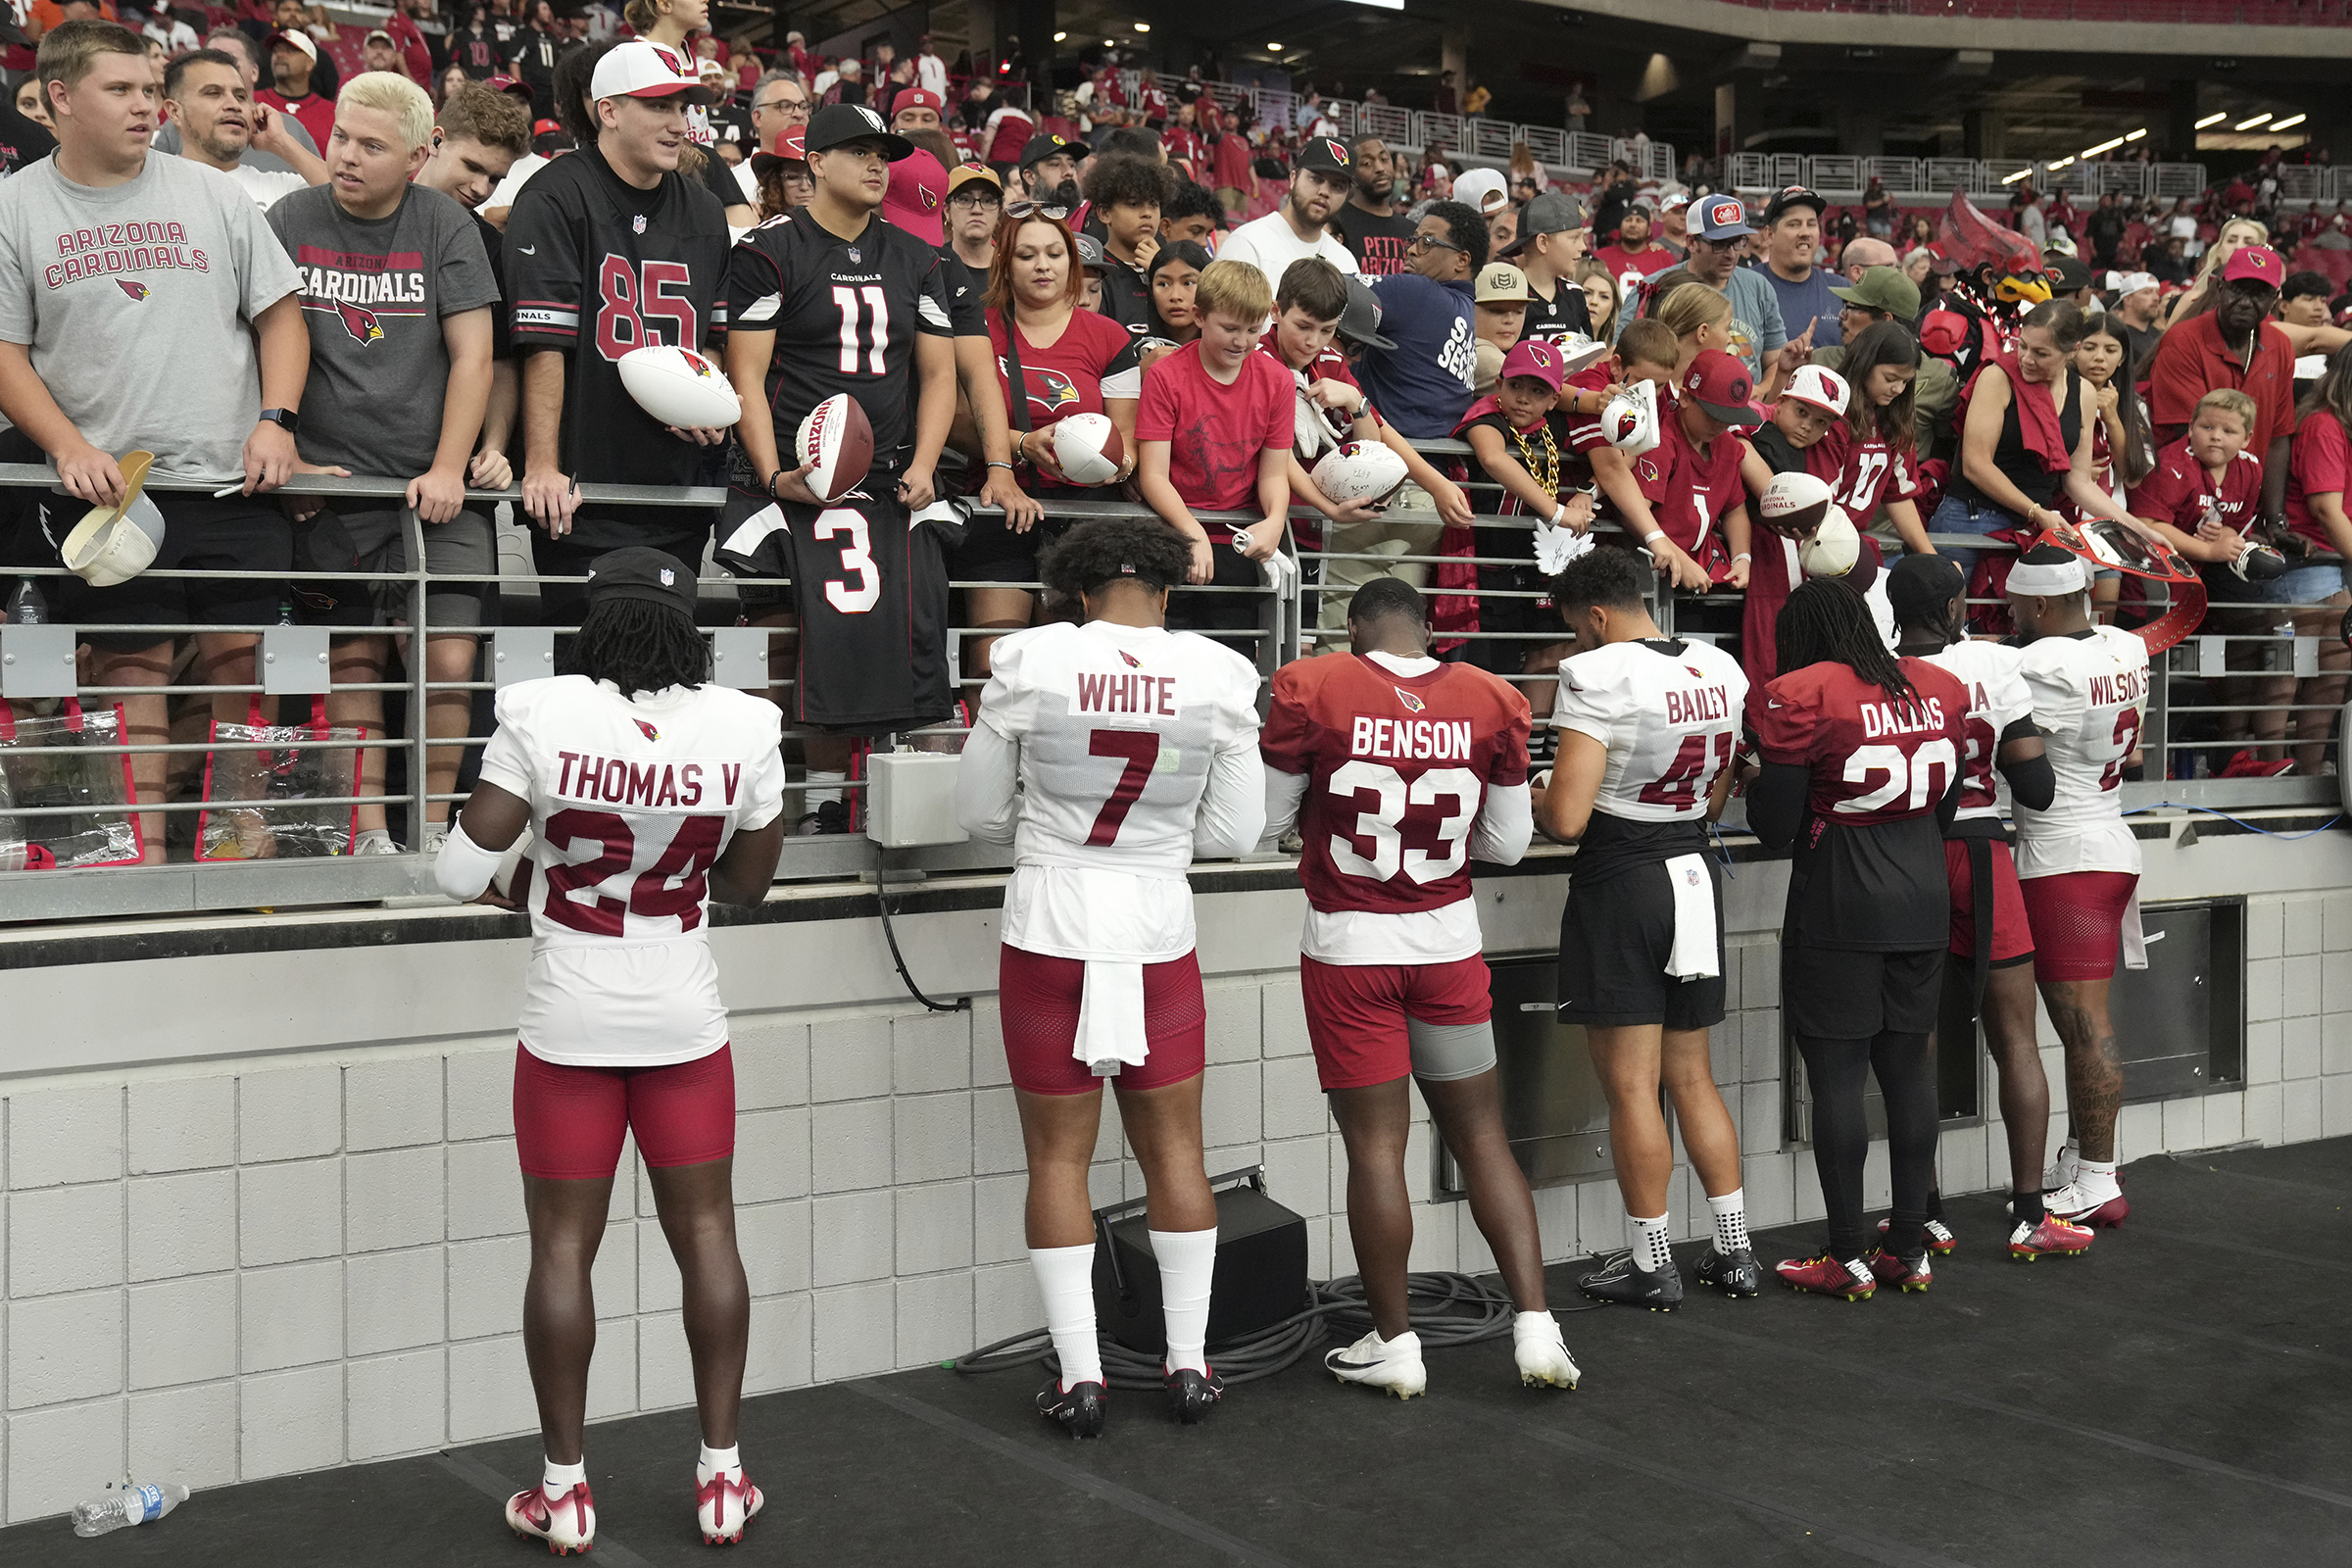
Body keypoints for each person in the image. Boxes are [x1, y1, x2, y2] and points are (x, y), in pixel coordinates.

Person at [432, 548, 788, 1553]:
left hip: (569, 1016)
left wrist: (528, 886)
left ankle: (566, 1490)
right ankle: (722, 1477)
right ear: (689, 635)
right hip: (683, 1012)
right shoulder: (743, 725)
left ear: (592, 629)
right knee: (709, 1236)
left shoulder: (542, 713)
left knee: (560, 1251)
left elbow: (462, 869)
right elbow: (752, 882)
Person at [955, 515, 1266, 1437]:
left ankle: (1083, 1377)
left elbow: (977, 813)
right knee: (1178, 1154)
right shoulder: (1216, 671)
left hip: (1051, 920)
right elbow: (1235, 836)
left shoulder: (1032, 659)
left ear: (1078, 593)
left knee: (1057, 1159)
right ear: (1168, 594)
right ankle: (1188, 1364)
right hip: (1157, 928)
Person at [0, 19, 318, 863]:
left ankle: (234, 850)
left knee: (242, 670)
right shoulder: (15, 206)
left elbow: (281, 316)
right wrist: (66, 445)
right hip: (109, 493)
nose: (146, 106)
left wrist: (276, 419)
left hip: (229, 482)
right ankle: (140, 859)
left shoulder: (214, 195)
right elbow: (5, 352)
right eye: (123, 90)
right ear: (60, 98)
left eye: (149, 89)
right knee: (129, 676)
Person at [1261, 578, 1579, 1392]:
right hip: (1447, 943)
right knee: (1482, 1137)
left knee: (1375, 1148)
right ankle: (1537, 1330)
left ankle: (1397, 1345)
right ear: (1430, 627)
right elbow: (1508, 844)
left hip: (1350, 948)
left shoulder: (1318, 685)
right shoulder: (1489, 696)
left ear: (1352, 628)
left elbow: (1265, 821)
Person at [269, 72, 506, 856]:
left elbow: (474, 356)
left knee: (447, 656)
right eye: (340, 136)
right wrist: (289, 451)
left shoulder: (444, 224)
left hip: (432, 484)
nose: (346, 155)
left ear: (415, 156)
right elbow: (256, 345)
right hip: (332, 487)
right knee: (353, 666)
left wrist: (448, 469)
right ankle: (369, 833)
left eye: (372, 146)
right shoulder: (289, 218)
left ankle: (434, 828)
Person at [715, 102, 957, 829]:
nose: (878, 164)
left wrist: (925, 461)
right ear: (815, 163)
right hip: (794, 478)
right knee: (787, 643)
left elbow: (939, 376)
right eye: (857, 151)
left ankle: (843, 807)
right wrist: (771, 472)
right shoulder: (768, 248)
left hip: (885, 479)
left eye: (884, 152)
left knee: (884, 646)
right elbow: (746, 375)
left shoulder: (917, 257)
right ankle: (764, 805)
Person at [1532, 545, 1757, 1307]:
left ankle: (1651, 1257)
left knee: (1632, 1087)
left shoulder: (1598, 673)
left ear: (1596, 616)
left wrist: (1535, 791)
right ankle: (1734, 1249)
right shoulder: (1719, 667)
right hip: (1693, 866)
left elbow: (1566, 818)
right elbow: (1719, 793)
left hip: (1625, 878)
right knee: (1692, 1075)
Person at [1746, 579, 1971, 1299]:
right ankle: (1908, 1243)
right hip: (1923, 895)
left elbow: (1775, 827)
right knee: (1908, 1071)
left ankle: (1845, 1253)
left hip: (1840, 901)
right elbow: (1946, 806)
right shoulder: (1939, 683)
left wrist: (1761, 776)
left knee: (1838, 1078)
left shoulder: (1802, 691)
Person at [1886, 554, 2093, 1260]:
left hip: (1904, 858)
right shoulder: (1997, 666)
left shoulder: (1873, 668)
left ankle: (1925, 1211)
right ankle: (2030, 1211)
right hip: (1981, 851)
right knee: (2015, 1038)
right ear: (1953, 609)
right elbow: (2034, 785)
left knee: (1913, 1042)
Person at [508, 39, 730, 624]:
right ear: (608, 110)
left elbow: (711, 338)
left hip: (676, 493)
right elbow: (544, 345)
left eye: (683, 108)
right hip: (581, 493)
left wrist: (703, 394)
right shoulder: (555, 196)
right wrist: (542, 464)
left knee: (667, 672)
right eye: (659, 107)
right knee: (586, 673)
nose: (678, 123)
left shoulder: (705, 211)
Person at [2004, 545, 2150, 1231]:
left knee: (2083, 1024)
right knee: (2084, 1023)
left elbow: (2017, 747)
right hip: (2109, 840)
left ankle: (2097, 1177)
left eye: (2015, 604)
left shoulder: (2043, 664)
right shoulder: (2122, 646)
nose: (2009, 613)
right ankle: (2081, 1160)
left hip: (2066, 853)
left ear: (2036, 604)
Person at [957, 209, 1141, 698]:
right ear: (1005, 263)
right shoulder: (976, 325)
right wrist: (1019, 444)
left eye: (1055, 254)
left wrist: (1117, 462)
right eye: (1027, 254)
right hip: (1001, 508)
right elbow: (953, 419)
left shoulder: (1110, 338)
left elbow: (1126, 436)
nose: (1044, 265)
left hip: (1085, 517)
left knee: (1071, 669)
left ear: (1072, 264)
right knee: (993, 663)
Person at [1933, 301, 2162, 580]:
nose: (2026, 359)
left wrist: (2136, 528)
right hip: (1973, 518)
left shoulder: (2084, 393)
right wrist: (2036, 511)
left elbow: (2077, 481)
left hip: (2036, 524)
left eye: (2041, 353)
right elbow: (1976, 464)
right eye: (2022, 346)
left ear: (2072, 350)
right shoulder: (1997, 377)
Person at [1135, 258, 1297, 637]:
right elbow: (1154, 475)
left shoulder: (1277, 381)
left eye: (1253, 330)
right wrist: (1192, 532)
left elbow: (1274, 472)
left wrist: (1274, 521)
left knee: (1232, 657)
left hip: (1239, 535)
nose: (1241, 341)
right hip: (1172, 531)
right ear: (1199, 316)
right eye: (1229, 328)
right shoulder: (1167, 375)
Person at [2147, 246, 2295, 524]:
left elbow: (2278, 438)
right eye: (2238, 289)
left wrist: (2274, 517)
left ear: (2275, 299)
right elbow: (2199, 438)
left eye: (2259, 293)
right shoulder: (2184, 339)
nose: (2245, 301)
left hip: (2242, 507)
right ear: (2220, 288)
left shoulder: (2280, 346)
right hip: (2177, 503)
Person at [2275, 351, 2352, 775]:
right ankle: (2273, 771)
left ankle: (2308, 770)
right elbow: (2326, 509)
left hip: (2336, 562)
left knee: (2332, 678)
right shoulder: (2324, 425)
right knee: (2291, 678)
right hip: (2311, 563)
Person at [1355, 200, 1483, 442]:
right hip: (1436, 463)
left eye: (1427, 242)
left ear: (1461, 261)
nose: (1412, 250)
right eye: (1413, 240)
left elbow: (1321, 285)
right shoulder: (1466, 309)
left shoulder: (1418, 292)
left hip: (1392, 465)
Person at [166, 45, 327, 206]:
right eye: (213, 93)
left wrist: (281, 142)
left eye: (240, 96)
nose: (234, 104)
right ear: (175, 112)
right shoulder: (151, 181)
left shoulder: (280, 189)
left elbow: (346, 200)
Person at [1215, 134, 1359, 295]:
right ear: (1293, 179)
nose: (1324, 192)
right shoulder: (1247, 244)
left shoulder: (1346, 262)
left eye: (1337, 186)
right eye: (1316, 179)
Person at [1677, 193, 1788, 391]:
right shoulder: (1658, 287)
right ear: (1692, 242)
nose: (1731, 254)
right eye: (1720, 244)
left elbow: (1775, 361)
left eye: (1738, 241)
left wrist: (1761, 391)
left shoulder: (1758, 287)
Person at [1083, 152, 1169, 338]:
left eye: (1153, 204)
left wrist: (1162, 273)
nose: (1147, 213)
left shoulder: (1172, 268)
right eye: (1133, 204)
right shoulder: (1093, 273)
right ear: (1105, 213)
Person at [1497, 190, 1592, 346]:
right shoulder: (1507, 295)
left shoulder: (1575, 295)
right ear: (1542, 242)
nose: (1582, 246)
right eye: (1574, 237)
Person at [1757, 183, 1838, 351]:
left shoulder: (1841, 291)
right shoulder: (1746, 288)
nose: (1805, 232)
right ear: (1769, 235)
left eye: (1811, 224)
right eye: (1794, 224)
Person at [1330, 132, 1414, 275]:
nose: (1380, 168)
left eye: (1384, 159)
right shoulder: (1336, 224)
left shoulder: (1412, 230)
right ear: (1351, 174)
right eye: (1367, 163)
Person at [260, 24, 335, 149]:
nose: (279, 55)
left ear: (309, 63)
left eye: (289, 50)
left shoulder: (332, 114)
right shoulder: (253, 102)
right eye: (276, 50)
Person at [1592, 197, 1676, 298]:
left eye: (1639, 221)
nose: (1633, 225)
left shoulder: (1663, 258)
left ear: (1649, 230)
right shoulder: (1601, 257)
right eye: (1628, 220)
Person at [945, 161, 1003, 273]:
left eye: (988, 200)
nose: (977, 210)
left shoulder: (1012, 268)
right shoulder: (932, 265)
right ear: (947, 210)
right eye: (965, 199)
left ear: (999, 212)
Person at [1571, 258, 1621, 345]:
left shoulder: (1619, 350)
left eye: (1604, 297)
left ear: (1613, 307)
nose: (1594, 302)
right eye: (1587, 293)